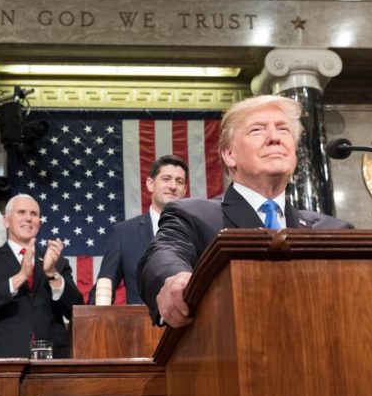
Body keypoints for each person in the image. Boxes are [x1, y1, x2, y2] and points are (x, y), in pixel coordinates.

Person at [139, 95, 353, 326]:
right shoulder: (192, 215)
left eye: (283, 130)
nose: (274, 138)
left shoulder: (334, 230)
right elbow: (163, 254)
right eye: (257, 130)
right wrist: (173, 279)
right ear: (229, 154)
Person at [0, 193, 83, 358]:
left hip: (52, 358)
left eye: (34, 214)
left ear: (39, 223)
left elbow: (76, 310)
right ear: (6, 221)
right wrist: (20, 277)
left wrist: (52, 274)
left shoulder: (58, 263)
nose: (28, 218)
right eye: (21, 212)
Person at [89, 154, 188, 305]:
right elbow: (104, 287)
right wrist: (96, 316)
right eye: (166, 179)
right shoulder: (123, 234)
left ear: (185, 190)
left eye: (179, 181)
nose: (173, 186)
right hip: (140, 326)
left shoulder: (196, 231)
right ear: (150, 184)